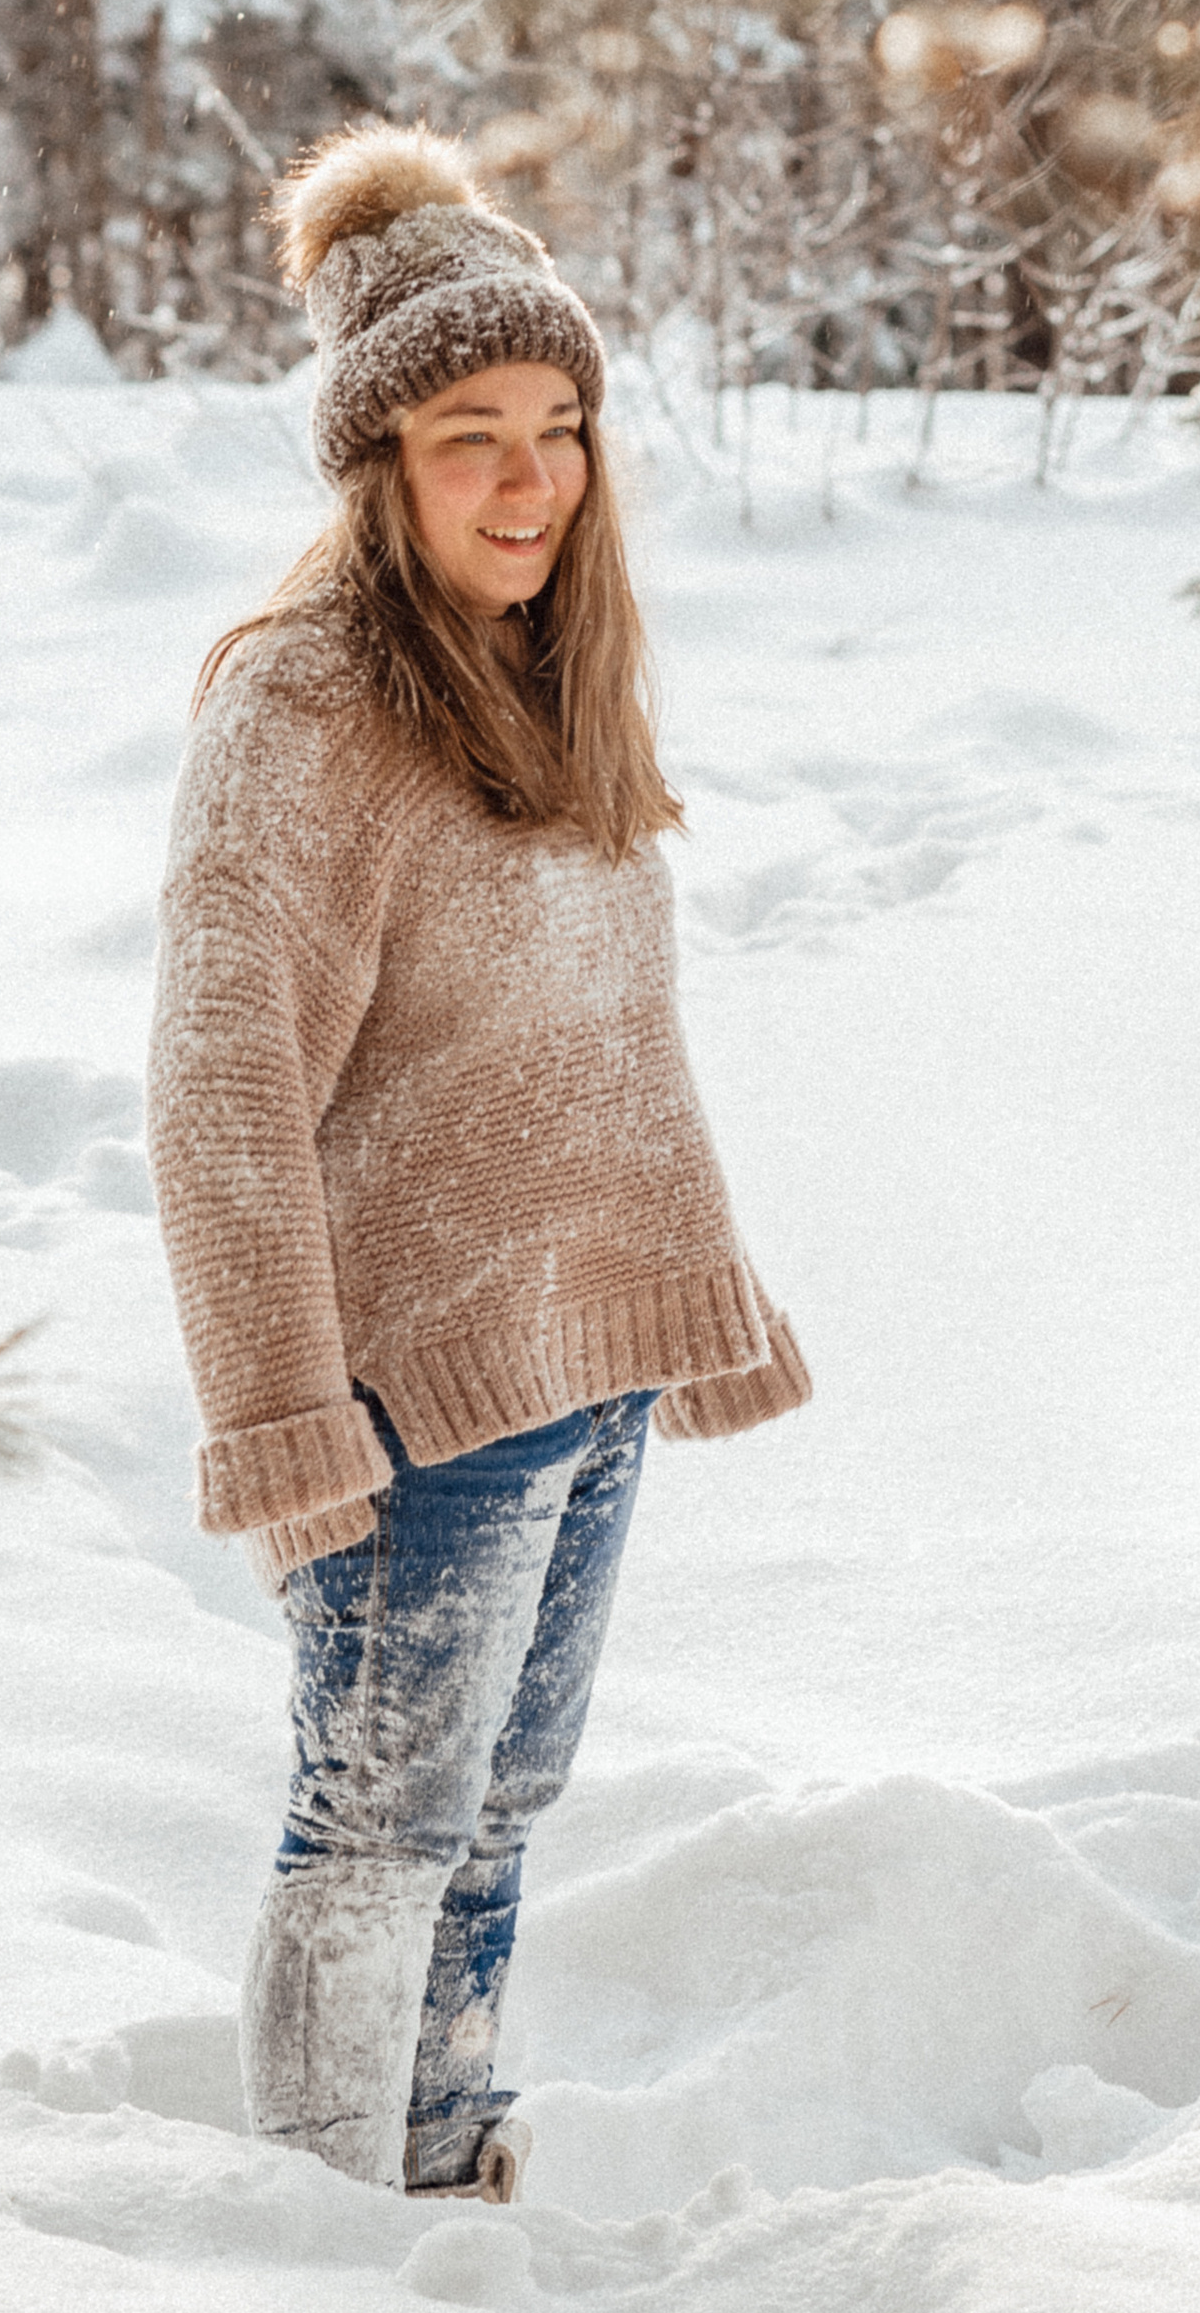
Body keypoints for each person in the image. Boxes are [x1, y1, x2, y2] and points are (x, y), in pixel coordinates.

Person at [146, 121, 811, 2202]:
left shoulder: (552, 672)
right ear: (380, 464)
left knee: (499, 1807)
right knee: (376, 1829)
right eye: (470, 439)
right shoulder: (309, 702)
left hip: (579, 1365)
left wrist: (681, 1291)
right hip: (409, 1398)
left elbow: (599, 1038)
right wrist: (277, 1415)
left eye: (558, 429)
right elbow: (223, 1087)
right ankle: (323, 2224)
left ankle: (438, 2167)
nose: (530, 482)